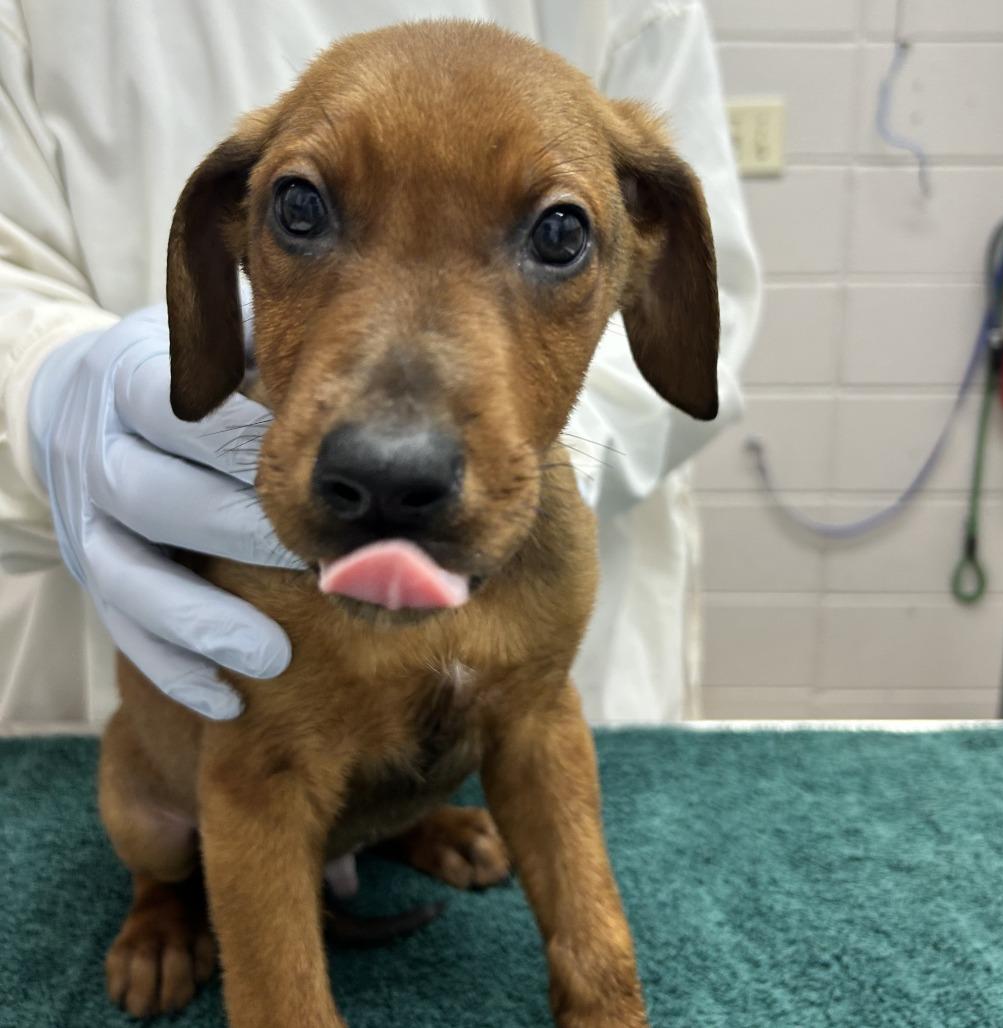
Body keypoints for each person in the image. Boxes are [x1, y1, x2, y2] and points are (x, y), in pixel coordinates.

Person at [0, 0, 759, 728]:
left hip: (547, 669)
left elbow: (704, 326)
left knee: (530, 745)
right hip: (116, 680)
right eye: (302, 212)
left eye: (556, 235)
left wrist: (524, 459)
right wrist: (43, 383)